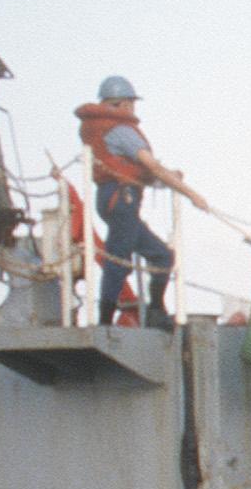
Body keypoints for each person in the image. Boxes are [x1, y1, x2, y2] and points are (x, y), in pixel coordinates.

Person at [75, 76, 208, 328]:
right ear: (124, 104)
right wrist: (191, 194)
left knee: (162, 255)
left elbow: (132, 170)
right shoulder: (121, 131)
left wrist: (166, 179)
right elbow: (151, 165)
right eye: (132, 103)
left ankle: (156, 311)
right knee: (118, 259)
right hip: (122, 200)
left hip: (111, 198)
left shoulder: (95, 128)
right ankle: (105, 322)